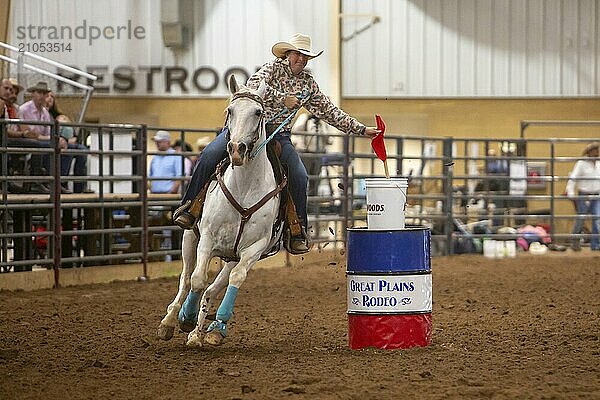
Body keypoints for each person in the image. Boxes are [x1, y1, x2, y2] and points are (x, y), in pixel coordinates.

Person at [173, 33, 379, 253]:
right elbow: (251, 87)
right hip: (245, 129)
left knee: (299, 175)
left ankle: (296, 229)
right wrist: (282, 98)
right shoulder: (271, 69)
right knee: (209, 155)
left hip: (278, 137)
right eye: (297, 53)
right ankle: (190, 207)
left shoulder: (308, 85)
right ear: (288, 54)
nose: (300, 58)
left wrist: (361, 129)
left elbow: (330, 112)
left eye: (305, 55)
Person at [0, 78, 51, 193]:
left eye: (13, 91)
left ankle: (52, 181)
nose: (11, 93)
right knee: (38, 145)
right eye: (7, 89)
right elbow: (6, 130)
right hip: (6, 139)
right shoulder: (21, 108)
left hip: (11, 138)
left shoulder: (15, 108)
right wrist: (24, 133)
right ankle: (35, 182)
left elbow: (20, 128)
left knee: (50, 146)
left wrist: (24, 133)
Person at [45, 91, 89, 193]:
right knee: (67, 148)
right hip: (54, 140)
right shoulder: (43, 113)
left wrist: (72, 138)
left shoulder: (59, 115)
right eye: (47, 96)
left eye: (52, 96)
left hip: (64, 140)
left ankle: (80, 186)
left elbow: (73, 134)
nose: (50, 98)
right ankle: (62, 182)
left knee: (82, 150)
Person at [565, 142, 600, 251]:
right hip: (584, 194)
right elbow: (573, 177)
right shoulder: (581, 163)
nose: (596, 151)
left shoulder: (599, 163)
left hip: (597, 194)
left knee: (597, 218)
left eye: (596, 149)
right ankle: (575, 241)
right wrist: (570, 191)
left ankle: (595, 244)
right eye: (594, 149)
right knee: (581, 219)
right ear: (589, 152)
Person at [148, 130, 183, 194]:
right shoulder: (155, 157)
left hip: (168, 193)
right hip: (154, 193)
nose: (157, 143)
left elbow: (179, 177)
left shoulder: (176, 156)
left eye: (159, 141)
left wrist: (172, 192)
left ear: (167, 142)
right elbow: (150, 175)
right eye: (156, 142)